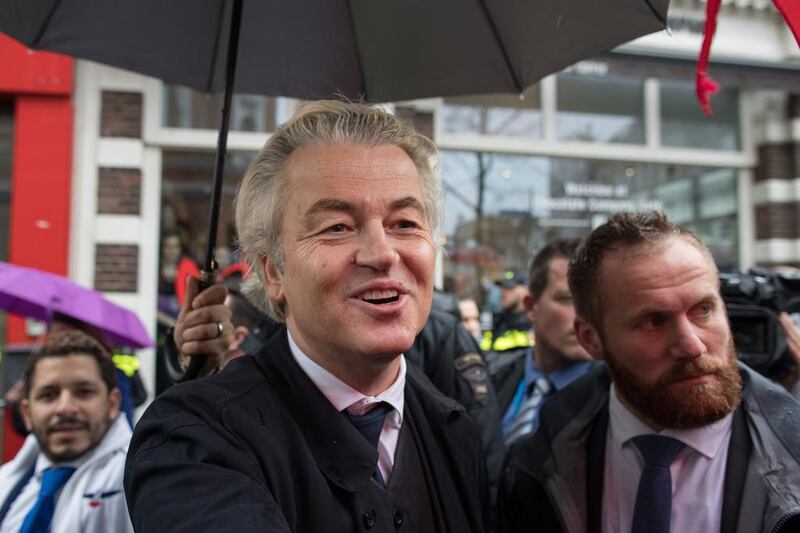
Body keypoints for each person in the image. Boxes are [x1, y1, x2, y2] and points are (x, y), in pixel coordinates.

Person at [125, 100, 488, 532]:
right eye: (336, 226)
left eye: (405, 223)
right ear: (273, 271)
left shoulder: (455, 432)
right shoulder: (192, 441)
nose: (383, 253)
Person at [499, 211, 800, 533]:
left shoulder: (792, 452)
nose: (691, 346)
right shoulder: (537, 462)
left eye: (703, 310)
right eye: (654, 321)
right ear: (591, 339)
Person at [0, 330, 133, 533]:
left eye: (84, 392)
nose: (65, 408)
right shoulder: (6, 481)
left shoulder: (139, 479)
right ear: (27, 413)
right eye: (48, 395)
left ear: (113, 403)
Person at [490, 239, 594, 445]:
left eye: (595, 301)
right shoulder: (491, 381)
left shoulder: (617, 398)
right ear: (531, 307)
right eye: (568, 299)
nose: (585, 316)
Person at [481, 271, 532, 362]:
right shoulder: (496, 322)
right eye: (502, 287)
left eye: (509, 288)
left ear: (525, 290)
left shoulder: (534, 323)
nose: (503, 292)